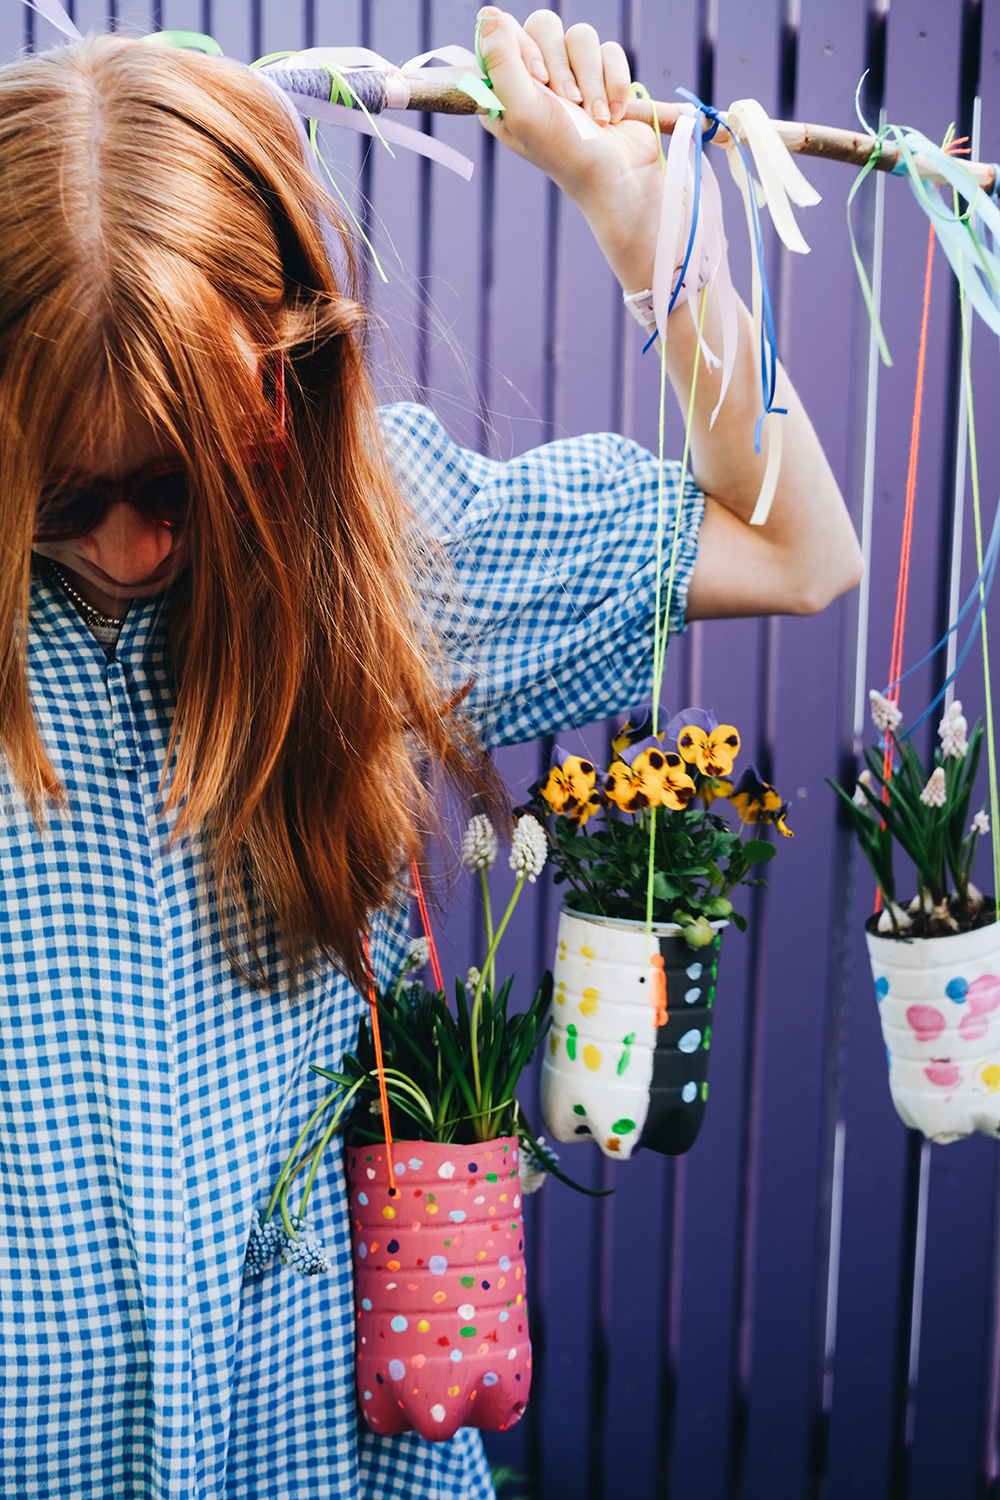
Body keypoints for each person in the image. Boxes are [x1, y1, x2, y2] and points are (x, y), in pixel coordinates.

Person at [0, 8, 863, 1498]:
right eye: (67, 500)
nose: (134, 546)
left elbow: (802, 548)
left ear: (290, 377)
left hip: (320, 1450)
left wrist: (631, 218)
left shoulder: (383, 554)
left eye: (181, 482)